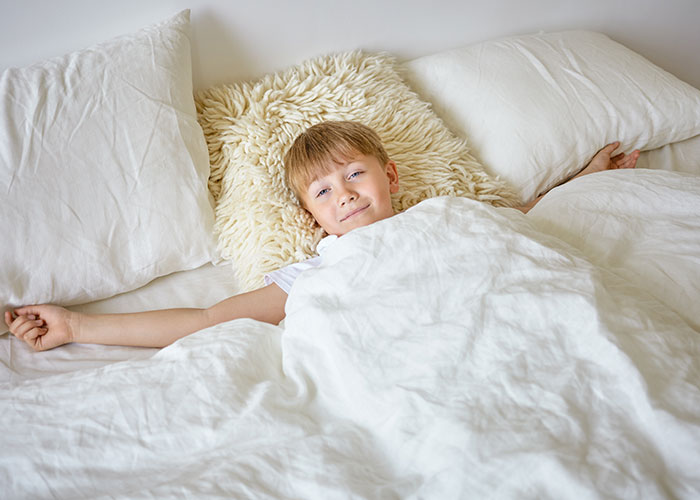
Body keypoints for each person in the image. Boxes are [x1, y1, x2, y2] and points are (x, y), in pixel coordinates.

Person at [4, 121, 639, 351]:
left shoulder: (442, 214)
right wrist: (78, 326)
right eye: (325, 191)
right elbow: (205, 317)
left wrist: (584, 175)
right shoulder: (320, 272)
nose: (346, 194)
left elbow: (513, 221)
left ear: (389, 176)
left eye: (355, 173)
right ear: (314, 219)